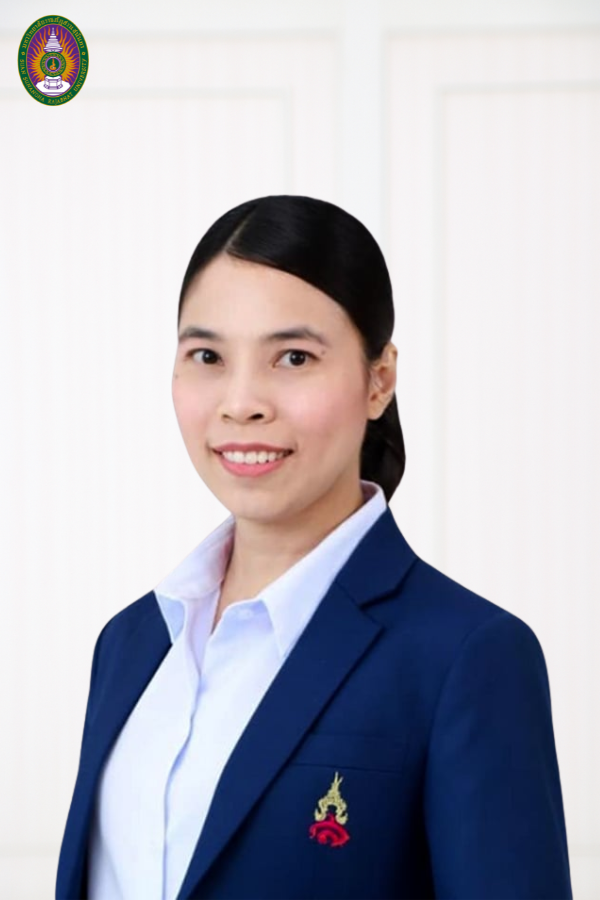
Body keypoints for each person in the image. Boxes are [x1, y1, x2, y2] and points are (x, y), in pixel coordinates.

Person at [56, 194, 573, 900]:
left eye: (293, 357)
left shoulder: (466, 657)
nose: (241, 401)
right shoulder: (133, 643)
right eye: (207, 356)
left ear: (378, 381)